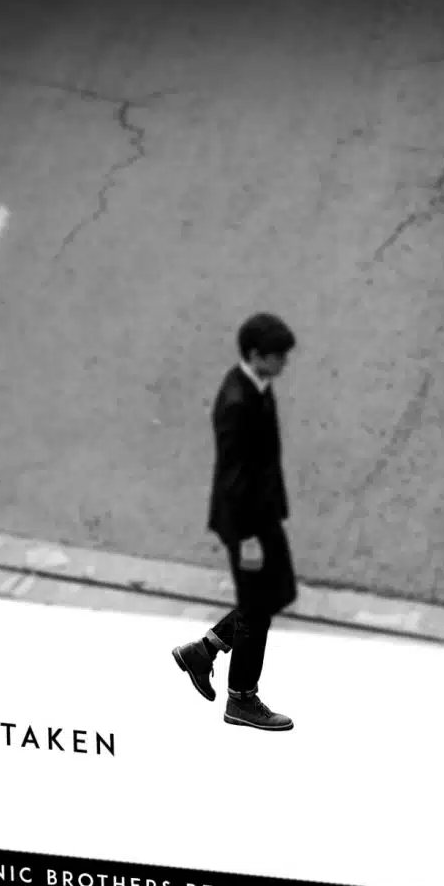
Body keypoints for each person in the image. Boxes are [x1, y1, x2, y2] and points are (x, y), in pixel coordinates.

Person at [172, 312, 298, 731]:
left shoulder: (258, 386)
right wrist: (247, 538)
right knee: (258, 606)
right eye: (278, 356)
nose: (284, 363)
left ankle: (204, 650)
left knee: (274, 592)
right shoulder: (237, 402)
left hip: (262, 513)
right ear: (257, 355)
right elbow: (234, 474)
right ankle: (241, 698)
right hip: (246, 520)